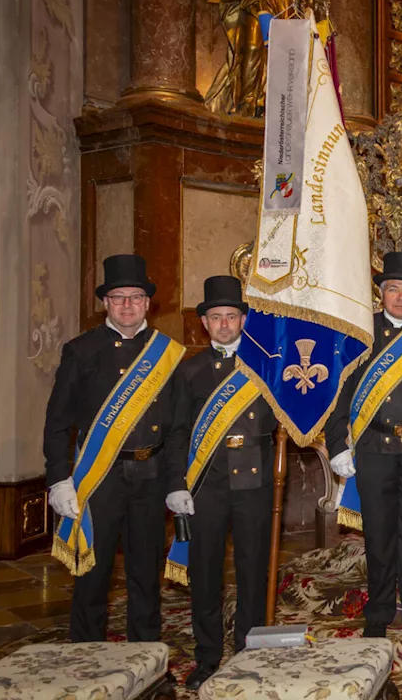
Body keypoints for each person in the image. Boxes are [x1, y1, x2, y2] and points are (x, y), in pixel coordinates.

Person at [44, 254, 184, 644]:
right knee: (92, 574)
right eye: (118, 297)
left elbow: (176, 428)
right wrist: (59, 480)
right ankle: (87, 658)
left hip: (151, 478)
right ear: (105, 302)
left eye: (135, 297)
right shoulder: (81, 351)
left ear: (147, 303)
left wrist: (176, 482)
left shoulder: (166, 354)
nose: (127, 305)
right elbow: (57, 423)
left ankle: (147, 659)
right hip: (99, 479)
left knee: (145, 575)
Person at [324, 251, 402, 644]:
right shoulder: (360, 336)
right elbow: (337, 394)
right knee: (378, 536)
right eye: (393, 288)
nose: (400, 296)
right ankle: (378, 612)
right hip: (373, 448)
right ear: (380, 293)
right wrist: (337, 445)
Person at [164, 276, 277, 690]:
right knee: (206, 573)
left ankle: (250, 650)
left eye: (232, 316)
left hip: (256, 481)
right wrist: (176, 483)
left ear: (243, 320)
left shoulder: (266, 365)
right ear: (205, 324)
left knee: (253, 572)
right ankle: (208, 656)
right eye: (216, 317)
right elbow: (176, 432)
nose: (225, 324)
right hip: (205, 486)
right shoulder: (189, 370)